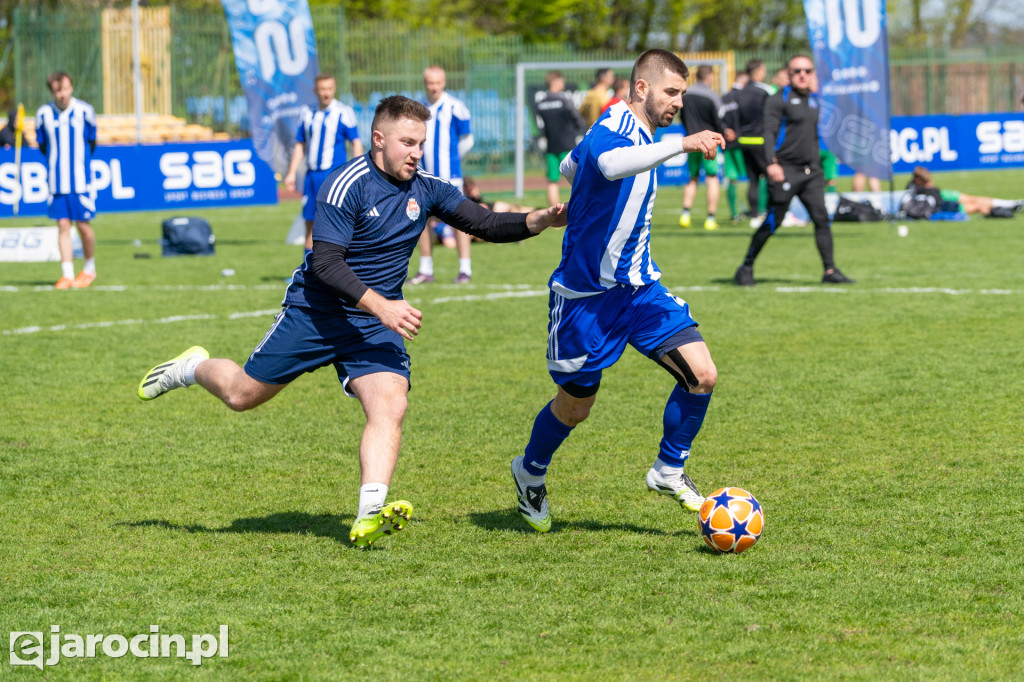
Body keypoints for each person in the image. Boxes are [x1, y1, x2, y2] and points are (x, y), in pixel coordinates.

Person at [137, 96, 566, 548]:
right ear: (379, 139)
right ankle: (191, 367)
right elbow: (326, 263)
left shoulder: (427, 186)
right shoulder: (345, 184)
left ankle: (368, 514)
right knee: (241, 395)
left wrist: (538, 219)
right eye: (407, 142)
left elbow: (485, 223)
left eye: (421, 143)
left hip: (373, 323)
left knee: (390, 405)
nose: (417, 152)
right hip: (318, 313)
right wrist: (382, 306)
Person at [511, 49, 725, 534]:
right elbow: (606, 163)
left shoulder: (638, 133)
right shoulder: (616, 128)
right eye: (671, 92)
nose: (677, 103)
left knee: (703, 374)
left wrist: (581, 189)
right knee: (575, 407)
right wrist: (685, 144)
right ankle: (529, 471)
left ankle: (668, 470)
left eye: (683, 94)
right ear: (642, 88)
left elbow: (571, 165)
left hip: (639, 290)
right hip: (587, 299)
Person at [734, 55, 855, 286]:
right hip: (785, 170)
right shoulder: (777, 99)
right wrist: (771, 163)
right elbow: (768, 133)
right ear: (789, 74)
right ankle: (746, 266)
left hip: (812, 173)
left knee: (822, 219)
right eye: (797, 70)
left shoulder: (813, 101)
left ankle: (830, 270)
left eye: (808, 71)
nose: (803, 75)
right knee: (773, 221)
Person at [409, 65, 475, 285]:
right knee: (422, 221)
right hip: (423, 177)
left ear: (444, 82)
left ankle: (465, 269)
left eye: (437, 83)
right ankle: (425, 269)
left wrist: (455, 161)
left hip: (450, 176)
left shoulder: (455, 107)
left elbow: (467, 139)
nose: (434, 87)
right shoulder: (418, 108)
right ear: (424, 83)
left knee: (458, 220)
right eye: (430, 83)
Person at [284, 73, 363, 252]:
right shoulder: (307, 113)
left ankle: (339, 269)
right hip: (312, 176)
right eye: (322, 89)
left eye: (329, 89)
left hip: (333, 176)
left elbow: (356, 142)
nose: (326, 93)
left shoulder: (344, 112)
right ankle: (308, 272)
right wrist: (291, 172)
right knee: (310, 223)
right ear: (315, 90)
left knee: (337, 224)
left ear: (334, 89)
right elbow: (300, 144)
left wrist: (358, 170)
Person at [35, 72, 97, 289]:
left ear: (71, 88)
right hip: (56, 181)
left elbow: (92, 142)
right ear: (52, 92)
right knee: (63, 225)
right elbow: (43, 145)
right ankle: (67, 274)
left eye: (66, 89)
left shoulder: (85, 111)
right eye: (57, 91)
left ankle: (89, 268)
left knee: (83, 225)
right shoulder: (43, 114)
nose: (62, 94)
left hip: (81, 181)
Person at [679, 65, 727, 231]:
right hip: (710, 143)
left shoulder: (686, 95)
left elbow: (683, 117)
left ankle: (685, 214)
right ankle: (710, 218)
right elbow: (720, 121)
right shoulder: (712, 96)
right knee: (712, 178)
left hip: (692, 141)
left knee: (692, 178)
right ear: (709, 77)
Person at [535, 71, 586, 206]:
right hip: (568, 144)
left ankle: (554, 211)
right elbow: (578, 119)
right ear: (556, 83)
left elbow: (541, 125)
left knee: (552, 180)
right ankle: (579, 208)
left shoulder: (541, 102)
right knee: (577, 178)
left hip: (551, 145)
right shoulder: (564, 100)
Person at [735, 60, 774, 219]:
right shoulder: (765, 90)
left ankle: (755, 213)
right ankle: (771, 211)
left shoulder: (740, 92)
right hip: (761, 140)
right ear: (758, 71)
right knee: (771, 177)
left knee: (753, 180)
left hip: (744, 141)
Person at [902, 166, 1022, 217]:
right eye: (927, 182)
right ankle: (1010, 208)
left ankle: (1012, 204)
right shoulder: (915, 190)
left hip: (943, 197)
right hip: (943, 205)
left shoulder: (917, 187)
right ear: (918, 181)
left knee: (974, 199)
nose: (930, 184)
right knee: (976, 205)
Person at [718, 72, 748, 221]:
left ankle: (734, 214)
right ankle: (759, 211)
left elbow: (716, 118)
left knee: (732, 179)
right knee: (759, 176)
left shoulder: (724, 98)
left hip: (729, 144)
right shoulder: (746, 97)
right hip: (748, 143)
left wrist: (724, 130)